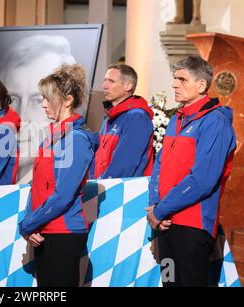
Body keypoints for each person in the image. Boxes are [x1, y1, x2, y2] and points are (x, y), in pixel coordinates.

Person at [146, 56, 236, 287]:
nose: (175, 84)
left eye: (182, 79)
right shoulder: (177, 117)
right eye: (175, 79)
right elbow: (160, 166)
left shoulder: (215, 121)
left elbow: (203, 179)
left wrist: (161, 208)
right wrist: (156, 206)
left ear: (201, 86)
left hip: (192, 226)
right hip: (165, 222)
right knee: (169, 283)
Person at [18, 64, 97, 287]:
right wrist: (30, 223)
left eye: (47, 97)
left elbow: (63, 195)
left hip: (63, 232)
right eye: (42, 97)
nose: (43, 104)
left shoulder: (77, 139)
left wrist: (29, 223)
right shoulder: (53, 137)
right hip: (45, 229)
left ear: (68, 100)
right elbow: (37, 186)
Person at [0, 35, 79, 184]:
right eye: (13, 99)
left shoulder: (66, 175)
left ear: (67, 102)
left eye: (38, 100)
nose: (21, 118)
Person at [91, 64, 154, 180]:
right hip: (103, 189)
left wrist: (100, 186)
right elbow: (97, 156)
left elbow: (124, 163)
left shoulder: (137, 117)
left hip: (122, 192)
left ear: (128, 86)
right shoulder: (111, 116)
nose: (104, 86)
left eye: (111, 81)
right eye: (105, 80)